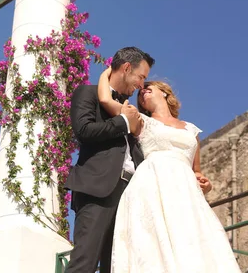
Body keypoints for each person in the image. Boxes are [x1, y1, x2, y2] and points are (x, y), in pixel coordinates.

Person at [97, 67, 241, 272]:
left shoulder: (191, 129)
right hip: (152, 185)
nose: (142, 92)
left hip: (186, 192)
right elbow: (106, 100)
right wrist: (109, 71)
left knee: (192, 244)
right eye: (140, 93)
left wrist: (204, 184)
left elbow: (196, 170)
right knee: (153, 247)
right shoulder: (140, 120)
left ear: (164, 92)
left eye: (148, 88)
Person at [65, 46, 155, 273]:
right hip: (97, 190)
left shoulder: (129, 108)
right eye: (141, 77)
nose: (141, 85)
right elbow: (83, 130)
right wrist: (124, 123)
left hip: (131, 194)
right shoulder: (88, 93)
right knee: (84, 264)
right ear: (126, 68)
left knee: (116, 267)